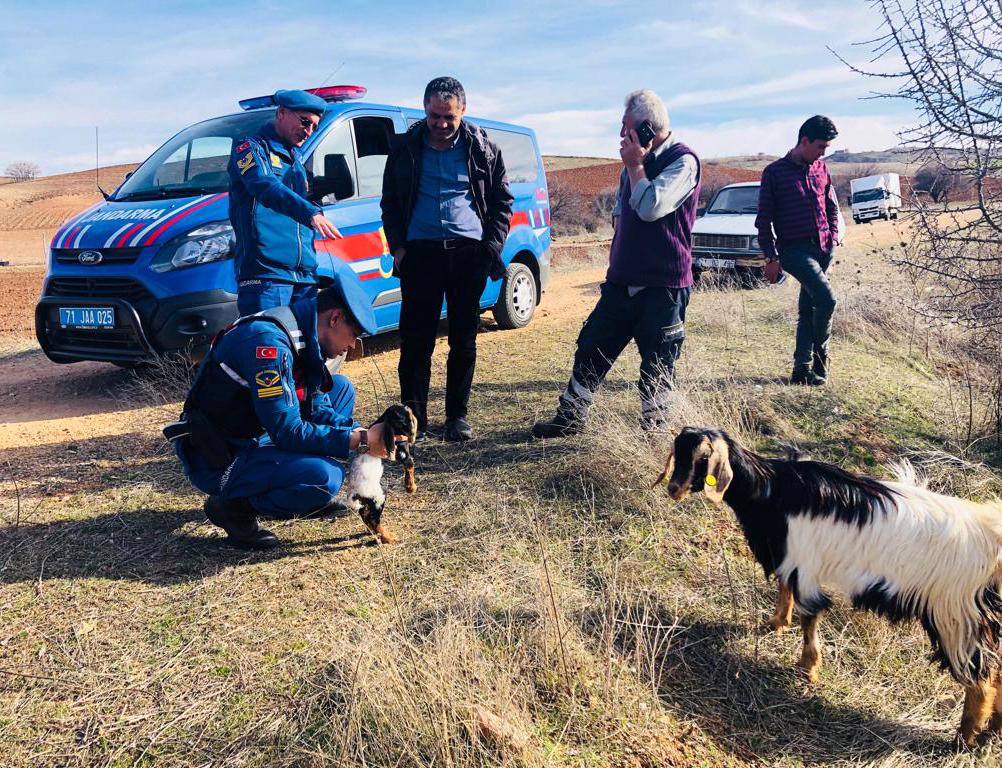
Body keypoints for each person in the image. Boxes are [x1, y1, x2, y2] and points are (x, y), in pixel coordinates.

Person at [167, 273, 401, 550]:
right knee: (325, 477)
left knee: (339, 388)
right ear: (335, 318)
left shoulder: (303, 335)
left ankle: (299, 486)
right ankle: (233, 507)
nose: (351, 346)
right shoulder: (268, 345)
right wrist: (359, 440)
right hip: (221, 455)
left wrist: (363, 434)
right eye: (353, 335)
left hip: (259, 433)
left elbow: (317, 407)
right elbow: (288, 430)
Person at [532, 90, 700, 438]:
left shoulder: (684, 162)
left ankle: (654, 434)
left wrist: (636, 167)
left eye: (627, 129)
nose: (622, 136)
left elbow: (652, 207)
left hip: (664, 286)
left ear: (647, 130)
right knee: (592, 347)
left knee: (658, 364)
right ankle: (571, 417)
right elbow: (623, 212)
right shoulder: (632, 165)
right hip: (622, 281)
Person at [380, 76, 513, 442]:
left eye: (449, 117)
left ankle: (457, 417)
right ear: (425, 110)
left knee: (463, 340)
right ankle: (413, 420)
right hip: (419, 257)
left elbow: (503, 202)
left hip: (467, 257)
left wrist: (491, 248)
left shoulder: (484, 148)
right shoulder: (406, 147)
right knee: (415, 343)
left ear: (463, 111)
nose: (441, 124)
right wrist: (399, 249)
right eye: (435, 115)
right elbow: (389, 202)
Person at [228, 89, 342, 315]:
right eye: (304, 122)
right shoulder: (250, 149)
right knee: (268, 341)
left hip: (305, 273)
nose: (308, 131)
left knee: (307, 347)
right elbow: (265, 185)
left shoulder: (296, 160)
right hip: (267, 274)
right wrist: (310, 213)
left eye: (314, 127)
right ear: (281, 113)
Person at [755, 115, 841, 386]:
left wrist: (834, 235)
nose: (822, 153)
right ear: (804, 141)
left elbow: (830, 205)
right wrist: (770, 257)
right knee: (827, 300)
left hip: (824, 248)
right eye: (819, 147)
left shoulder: (821, 168)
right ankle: (820, 356)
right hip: (794, 251)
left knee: (809, 309)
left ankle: (801, 370)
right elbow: (764, 219)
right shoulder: (774, 172)